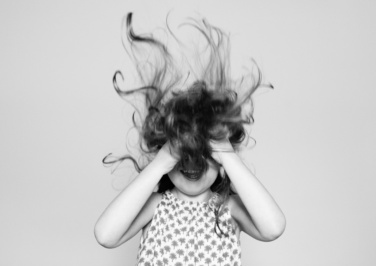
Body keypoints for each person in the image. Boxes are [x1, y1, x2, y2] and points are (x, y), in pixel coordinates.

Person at [95, 12, 286, 266]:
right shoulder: (157, 207)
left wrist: (225, 152)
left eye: (206, 154)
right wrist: (162, 161)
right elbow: (105, 235)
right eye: (183, 154)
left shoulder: (229, 208)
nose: (193, 163)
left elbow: (273, 227)